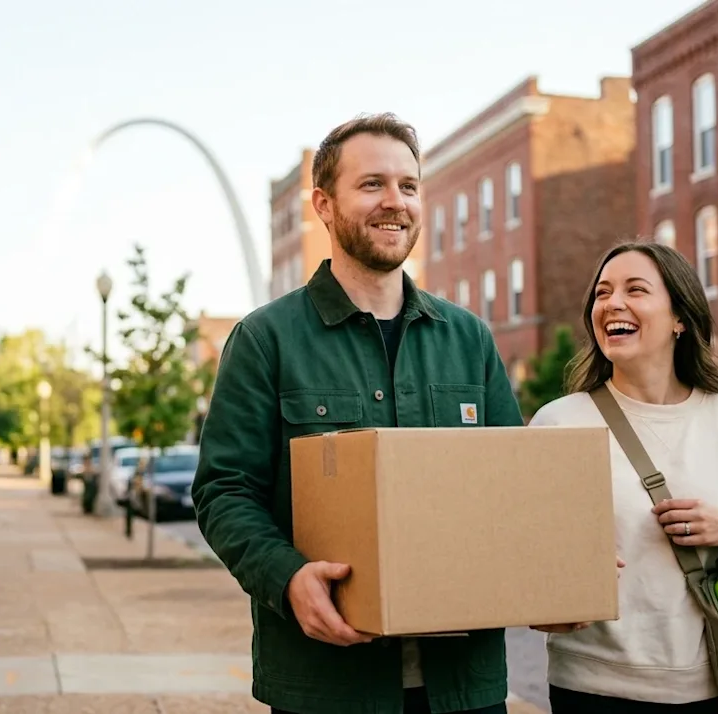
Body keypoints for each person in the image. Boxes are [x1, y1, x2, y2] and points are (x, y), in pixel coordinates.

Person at [190, 113, 523, 714]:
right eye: (372, 184)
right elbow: (225, 490)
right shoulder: (267, 340)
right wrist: (287, 578)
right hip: (327, 686)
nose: (395, 202)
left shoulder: (470, 338)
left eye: (409, 186)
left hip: (464, 687)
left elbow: (513, 486)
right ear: (324, 204)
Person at [527, 241, 718, 713]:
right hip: (593, 689)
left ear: (680, 317)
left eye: (635, 289)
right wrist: (548, 602)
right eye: (602, 293)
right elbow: (520, 557)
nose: (612, 303)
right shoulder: (558, 423)